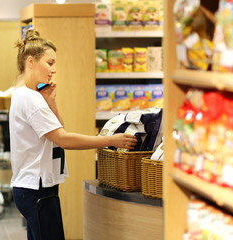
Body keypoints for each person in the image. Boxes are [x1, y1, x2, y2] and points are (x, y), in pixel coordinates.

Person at [9, 29, 137, 240]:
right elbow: (64, 139)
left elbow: (59, 131)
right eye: (49, 63)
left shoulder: (25, 95)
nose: (54, 69)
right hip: (36, 188)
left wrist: (52, 102)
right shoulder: (30, 99)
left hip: (34, 186)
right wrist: (110, 140)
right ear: (30, 62)